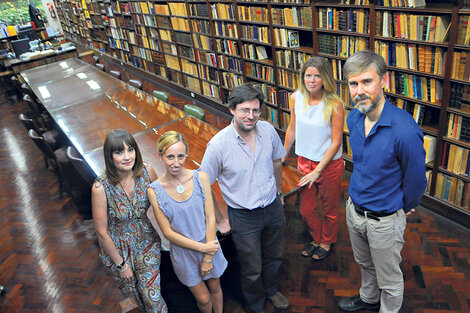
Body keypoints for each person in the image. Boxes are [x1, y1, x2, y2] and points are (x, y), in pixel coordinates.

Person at [338, 50, 427, 313]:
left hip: (384, 221)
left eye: (367, 81)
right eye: (353, 84)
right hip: (355, 211)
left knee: (389, 279)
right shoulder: (354, 117)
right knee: (365, 264)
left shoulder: (405, 130)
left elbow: (416, 180)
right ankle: (368, 298)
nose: (359, 90)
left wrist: (402, 206)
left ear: (384, 80)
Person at [200, 84, 289, 313]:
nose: (251, 116)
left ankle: (270, 291)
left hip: (272, 207)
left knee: (275, 257)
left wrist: (279, 192)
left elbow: (278, 161)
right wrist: (219, 219)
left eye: (255, 110)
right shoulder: (218, 145)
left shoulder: (268, 130)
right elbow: (203, 183)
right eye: (245, 110)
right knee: (251, 268)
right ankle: (255, 305)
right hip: (243, 216)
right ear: (232, 110)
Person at [147, 131, 227, 313]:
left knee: (215, 288)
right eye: (170, 157)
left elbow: (210, 217)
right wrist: (202, 249)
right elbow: (168, 233)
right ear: (160, 156)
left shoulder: (201, 178)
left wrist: (208, 254)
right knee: (204, 300)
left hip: (209, 244)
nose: (176, 163)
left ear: (186, 155)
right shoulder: (154, 191)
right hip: (184, 253)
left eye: (181, 156)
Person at [92, 129, 167, 313]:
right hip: (117, 250)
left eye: (130, 150)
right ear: (110, 157)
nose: (127, 157)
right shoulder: (100, 187)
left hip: (146, 242)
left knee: (153, 298)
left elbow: (163, 203)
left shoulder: (147, 171)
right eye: (119, 152)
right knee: (137, 298)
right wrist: (121, 265)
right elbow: (101, 232)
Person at [283, 56, 345, 260]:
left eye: (317, 76)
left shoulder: (335, 104)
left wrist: (318, 170)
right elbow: (292, 128)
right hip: (304, 162)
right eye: (308, 75)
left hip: (329, 165)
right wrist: (283, 155)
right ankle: (316, 238)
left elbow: (336, 142)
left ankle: (326, 241)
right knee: (306, 209)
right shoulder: (295, 98)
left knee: (329, 209)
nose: (311, 80)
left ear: (325, 78)